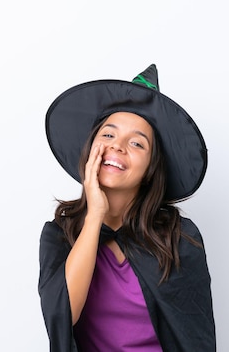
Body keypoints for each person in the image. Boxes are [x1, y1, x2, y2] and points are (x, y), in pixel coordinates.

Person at [38, 64, 215, 351]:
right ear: (91, 147)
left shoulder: (178, 237)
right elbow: (61, 315)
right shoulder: (59, 235)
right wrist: (95, 214)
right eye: (108, 135)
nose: (118, 146)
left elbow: (196, 338)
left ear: (150, 168)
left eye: (137, 143)